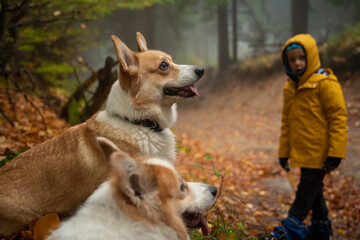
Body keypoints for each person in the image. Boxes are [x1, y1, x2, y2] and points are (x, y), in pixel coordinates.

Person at [262, 34, 348, 240]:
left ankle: (286, 232)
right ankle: (320, 230)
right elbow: (287, 124)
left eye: (301, 58)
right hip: (302, 153)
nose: (297, 63)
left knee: (304, 194)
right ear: (286, 62)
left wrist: (336, 152)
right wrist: (284, 153)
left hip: (320, 154)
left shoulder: (325, 84)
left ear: (311, 57)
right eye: (292, 60)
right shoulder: (290, 87)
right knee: (314, 192)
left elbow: (338, 118)